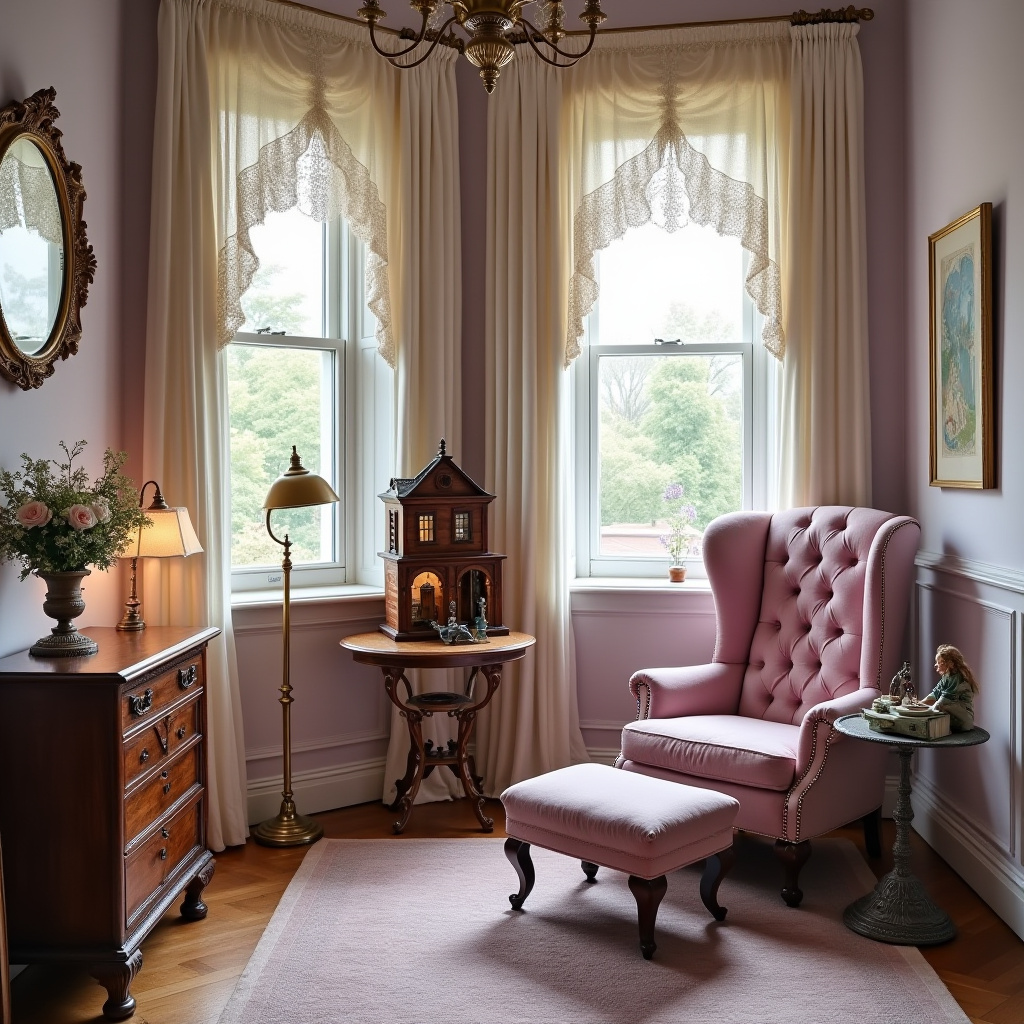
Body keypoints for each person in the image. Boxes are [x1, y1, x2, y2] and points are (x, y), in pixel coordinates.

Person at [922, 644, 978, 731]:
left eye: (939, 662)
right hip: (953, 718)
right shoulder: (946, 677)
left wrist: (925, 712)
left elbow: (944, 701)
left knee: (943, 706)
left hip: (962, 720)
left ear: (950, 664)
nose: (936, 665)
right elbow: (935, 694)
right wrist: (919, 704)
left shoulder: (957, 678)